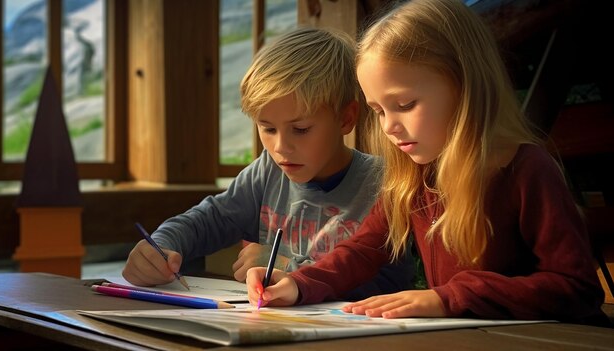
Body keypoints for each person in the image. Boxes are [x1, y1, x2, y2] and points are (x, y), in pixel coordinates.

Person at [245, 0, 609, 326]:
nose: (389, 126)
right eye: (378, 111)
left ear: (463, 85)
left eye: (404, 105)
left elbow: (576, 288)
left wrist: (449, 296)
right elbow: (363, 249)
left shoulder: (526, 169)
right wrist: (298, 284)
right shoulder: (414, 176)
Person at [122, 27, 414, 300]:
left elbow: (392, 283)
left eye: (300, 129)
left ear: (346, 118)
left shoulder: (386, 181)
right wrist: (160, 246)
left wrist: (289, 266)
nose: (280, 147)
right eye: (268, 128)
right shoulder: (269, 171)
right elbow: (210, 219)